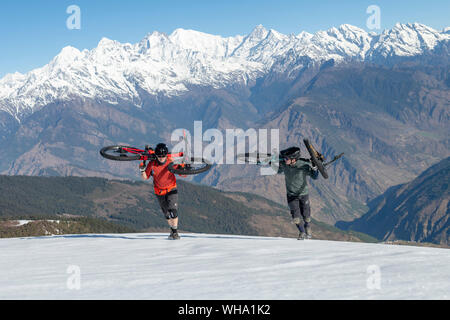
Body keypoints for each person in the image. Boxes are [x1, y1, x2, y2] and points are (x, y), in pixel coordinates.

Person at [140, 143, 182, 240]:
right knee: (166, 213)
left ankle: (175, 233)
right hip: (159, 191)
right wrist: (142, 170)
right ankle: (172, 230)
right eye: (159, 156)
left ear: (166, 155)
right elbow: (145, 177)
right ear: (156, 156)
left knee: (173, 211)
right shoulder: (152, 164)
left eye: (163, 156)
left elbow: (181, 172)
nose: (161, 158)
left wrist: (184, 166)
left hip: (171, 188)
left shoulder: (171, 162)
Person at [277, 147, 319, 240]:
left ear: (293, 159)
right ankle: (302, 232)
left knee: (306, 216)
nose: (285, 160)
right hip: (291, 195)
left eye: (287, 158)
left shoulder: (303, 165)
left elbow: (315, 177)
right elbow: (277, 170)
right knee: (295, 217)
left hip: (303, 194)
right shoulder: (284, 164)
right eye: (284, 158)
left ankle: (307, 226)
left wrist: (315, 168)